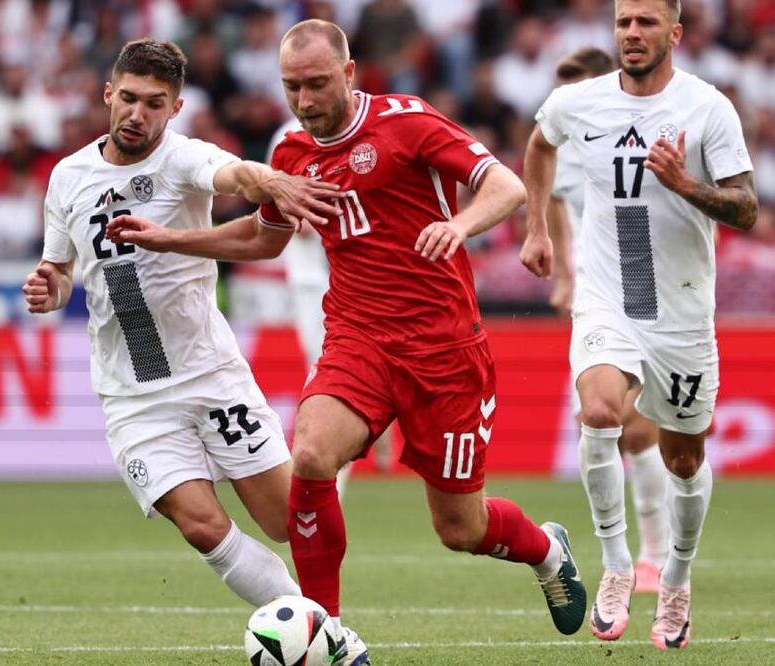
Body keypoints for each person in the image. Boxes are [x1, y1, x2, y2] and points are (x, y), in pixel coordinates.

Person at [104, 19, 587, 663]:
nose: (304, 101)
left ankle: (546, 550)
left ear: (350, 73)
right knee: (308, 456)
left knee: (459, 527)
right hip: (357, 338)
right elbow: (261, 238)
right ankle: (326, 632)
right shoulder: (291, 157)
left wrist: (460, 225)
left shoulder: (407, 122)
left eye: (317, 84)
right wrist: (172, 239)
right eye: (291, 87)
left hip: (444, 350)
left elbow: (505, 185)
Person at [21, 38, 342, 624]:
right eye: (130, 99)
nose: (138, 114)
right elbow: (61, 269)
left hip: (210, 374)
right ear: (108, 95)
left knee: (285, 520)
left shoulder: (183, 159)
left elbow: (233, 174)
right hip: (133, 396)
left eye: (155, 103)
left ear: (175, 108)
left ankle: (314, 621)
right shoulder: (68, 177)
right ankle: (320, 631)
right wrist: (50, 288)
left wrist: (270, 181)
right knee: (201, 526)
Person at [520, 0, 758, 649]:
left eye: (646, 22)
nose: (631, 32)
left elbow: (747, 208)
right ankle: (618, 564)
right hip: (608, 297)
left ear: (674, 33)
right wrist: (537, 227)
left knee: (684, 458)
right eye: (624, 21)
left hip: (680, 313)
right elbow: (541, 143)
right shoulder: (581, 102)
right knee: (599, 413)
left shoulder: (708, 108)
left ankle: (677, 577)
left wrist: (686, 184)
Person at [547, 46, 673, 600]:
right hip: (597, 293)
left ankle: (654, 552)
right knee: (607, 416)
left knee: (641, 427)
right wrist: (564, 271)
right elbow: (556, 205)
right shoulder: (564, 150)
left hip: (652, 287)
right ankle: (638, 554)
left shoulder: (639, 137)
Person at [266, 118, 395, 499]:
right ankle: (334, 474)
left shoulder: (372, 131)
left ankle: (329, 483)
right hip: (311, 280)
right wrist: (296, 216)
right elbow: (277, 202)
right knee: (324, 372)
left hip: (361, 277)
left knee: (339, 374)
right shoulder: (286, 138)